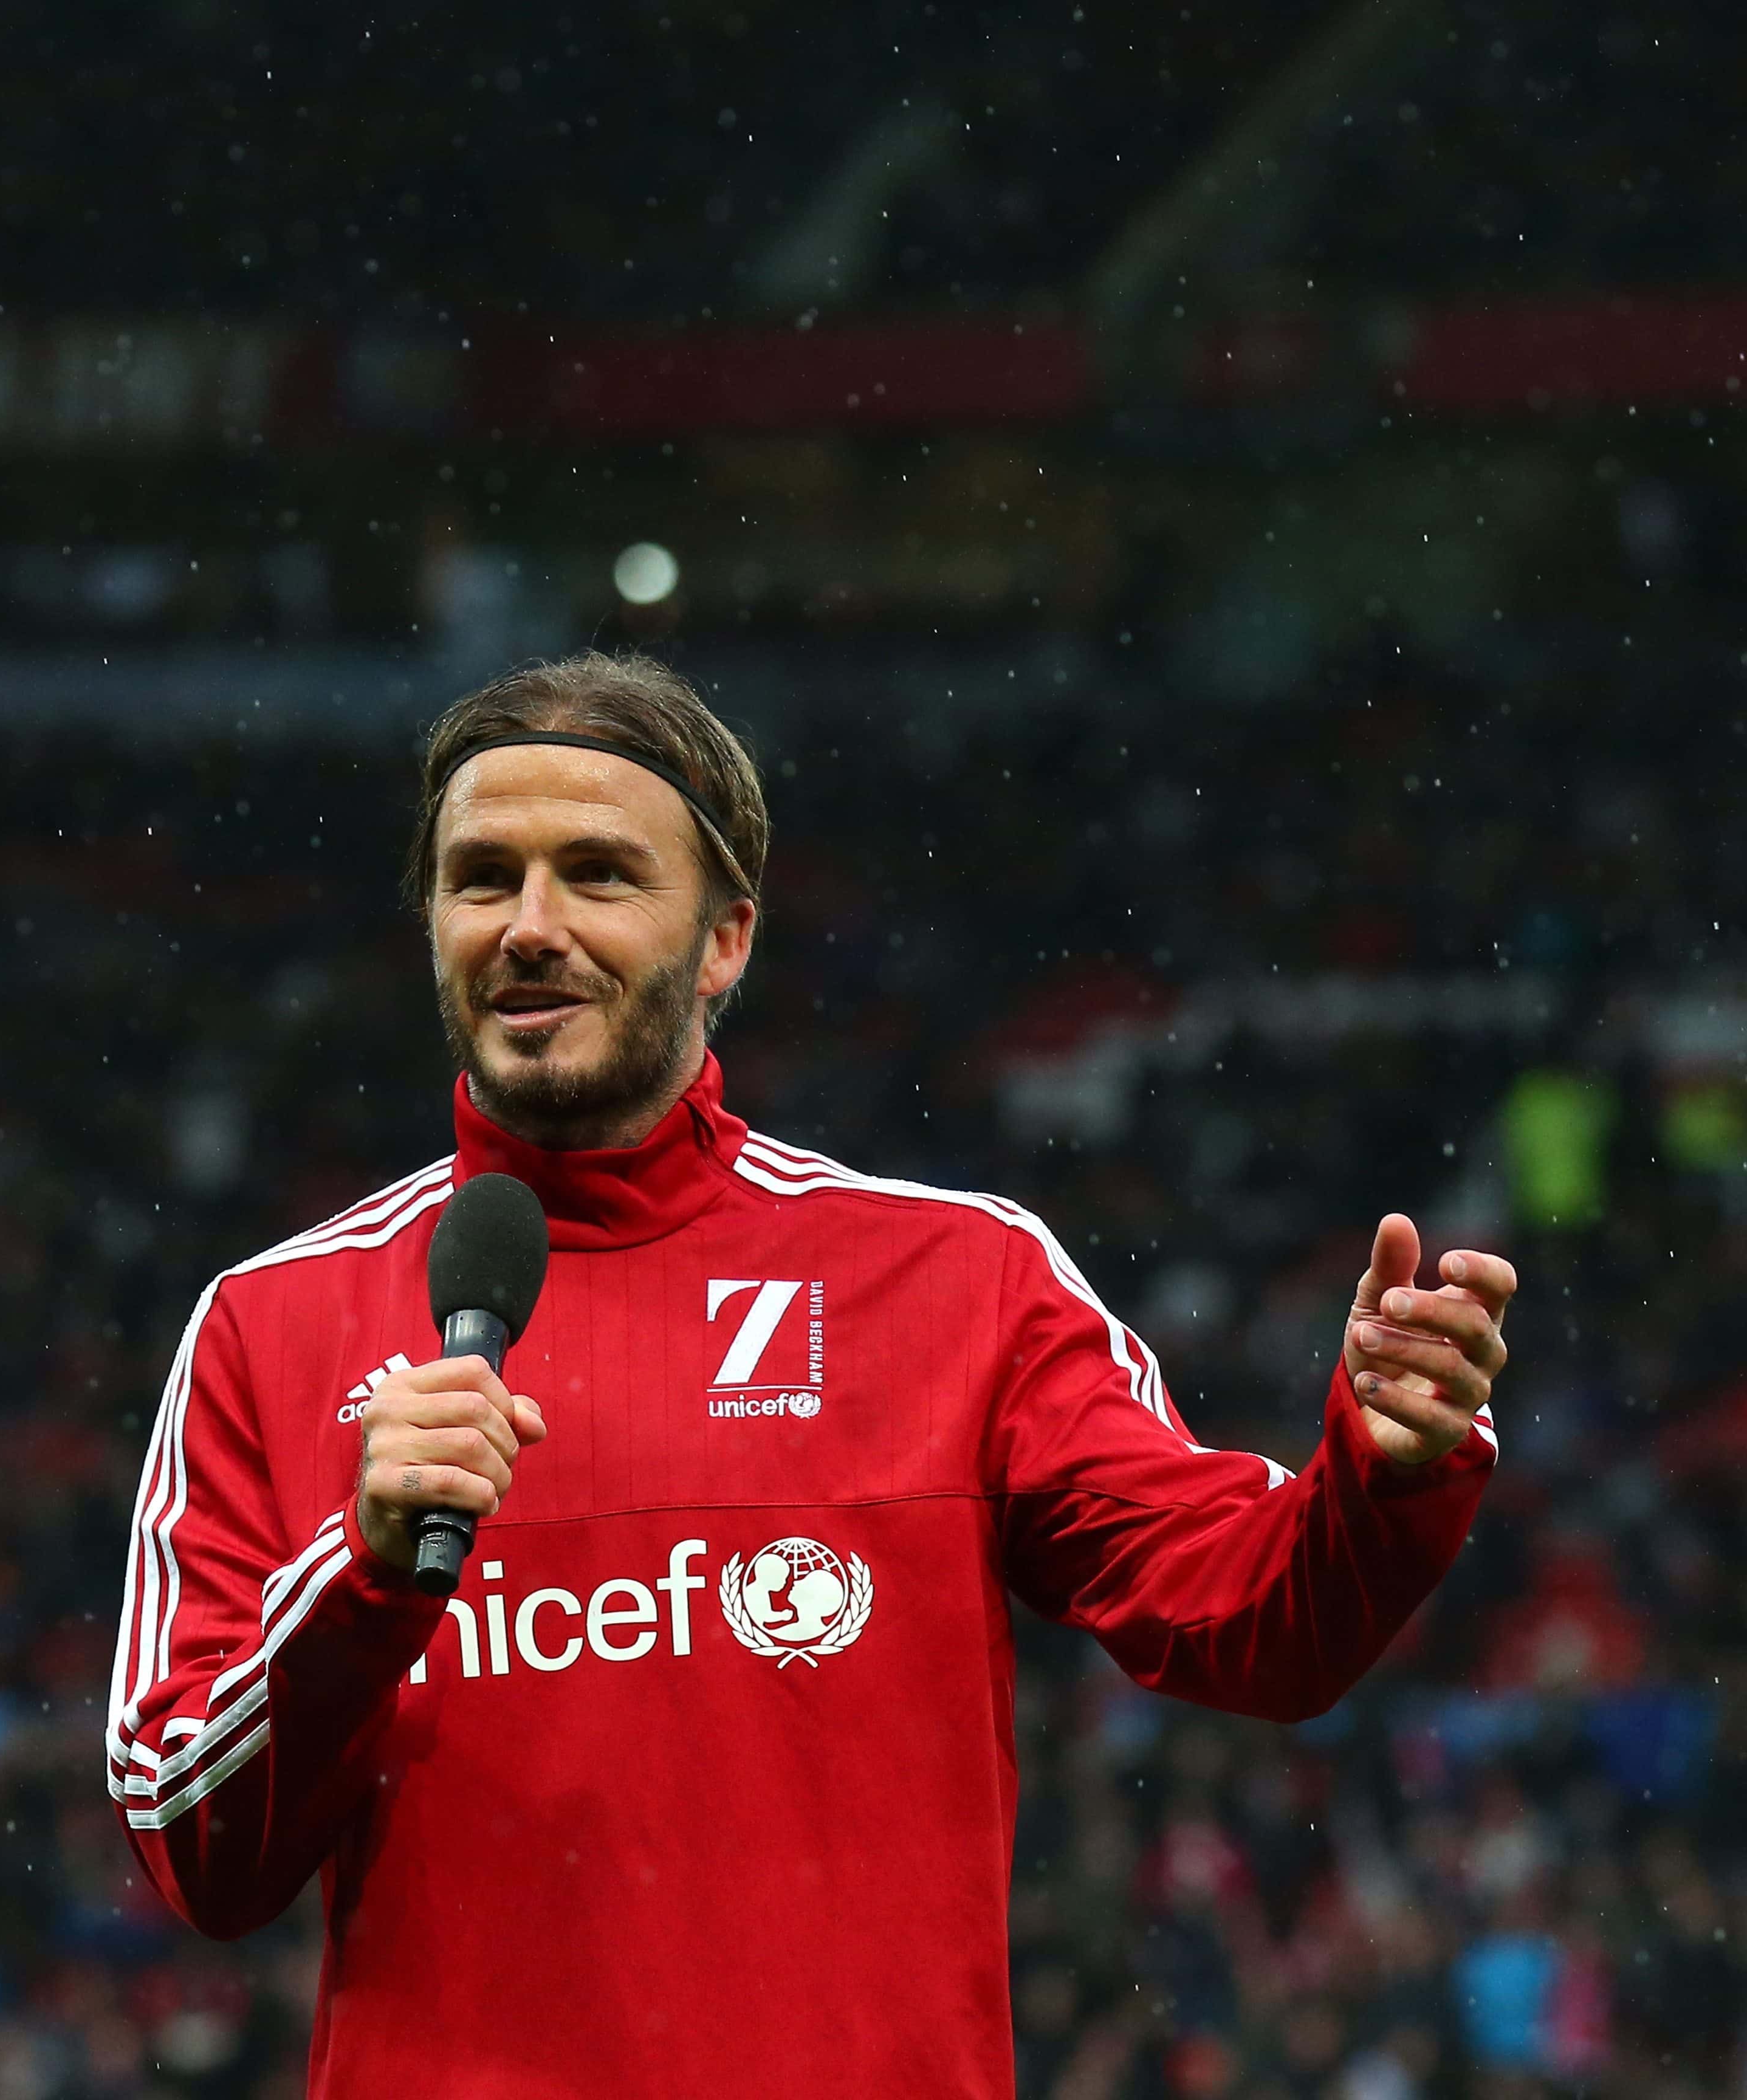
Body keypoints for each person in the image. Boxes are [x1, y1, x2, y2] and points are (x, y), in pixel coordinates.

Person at [103, 652, 1513, 2096]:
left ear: (725, 940)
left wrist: (1382, 1470)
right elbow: (188, 1842)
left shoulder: (954, 1282)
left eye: (597, 874)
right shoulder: (268, 1326)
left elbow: (1258, 1628)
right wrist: (363, 1575)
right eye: (482, 879)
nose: (529, 927)